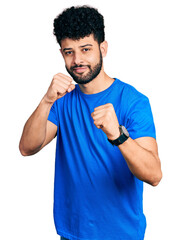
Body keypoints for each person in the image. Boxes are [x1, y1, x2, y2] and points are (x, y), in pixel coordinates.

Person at [19, 5, 162, 240]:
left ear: (102, 48)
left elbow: (154, 175)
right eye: (69, 52)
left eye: (86, 49)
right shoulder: (62, 101)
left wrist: (118, 135)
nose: (77, 60)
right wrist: (46, 100)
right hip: (71, 234)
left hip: (121, 235)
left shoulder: (133, 101)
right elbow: (27, 147)